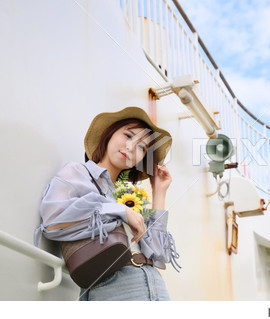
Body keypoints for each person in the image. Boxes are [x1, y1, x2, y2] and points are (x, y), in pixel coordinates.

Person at [34, 106, 180, 301]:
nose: (131, 148)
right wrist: (119, 211)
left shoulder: (127, 197)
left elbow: (158, 255)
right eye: (128, 136)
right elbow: (53, 218)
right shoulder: (78, 172)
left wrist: (159, 192)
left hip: (155, 287)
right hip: (113, 287)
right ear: (108, 134)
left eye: (142, 148)